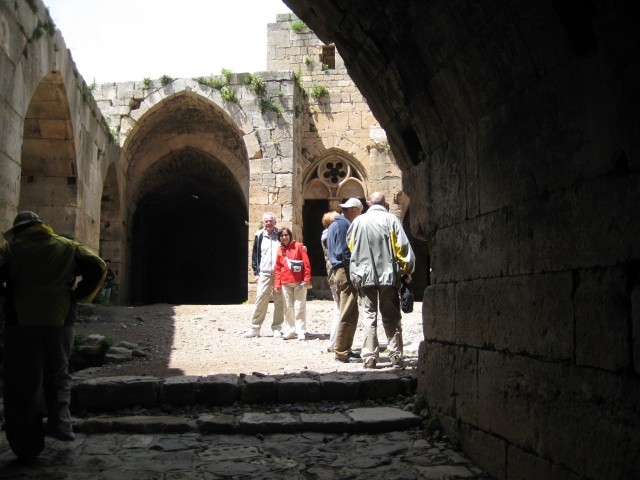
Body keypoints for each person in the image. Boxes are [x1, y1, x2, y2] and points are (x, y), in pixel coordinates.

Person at [0, 211, 107, 462]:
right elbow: (98, 266)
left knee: (23, 383)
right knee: (59, 371)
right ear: (41, 226)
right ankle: (61, 422)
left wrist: (7, 294)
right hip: (60, 320)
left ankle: (27, 445)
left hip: (22, 322)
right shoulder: (66, 246)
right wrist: (79, 296)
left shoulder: (13, 249)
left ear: (19, 230)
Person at [346, 192, 415, 369]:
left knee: (368, 316)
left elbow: (351, 246)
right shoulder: (391, 220)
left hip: (364, 275)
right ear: (385, 203)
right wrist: (407, 269)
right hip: (388, 275)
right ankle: (396, 356)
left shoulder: (357, 222)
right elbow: (402, 247)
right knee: (391, 315)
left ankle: (369, 357)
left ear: (369, 204)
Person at [326, 198, 363, 363]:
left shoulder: (335, 224)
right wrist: (354, 270)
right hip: (344, 270)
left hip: (338, 270)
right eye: (359, 212)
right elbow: (344, 251)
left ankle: (343, 348)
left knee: (345, 309)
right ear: (353, 209)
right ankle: (342, 351)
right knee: (349, 311)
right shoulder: (343, 225)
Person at [245, 212, 284, 337]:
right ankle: (255, 328)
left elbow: (290, 248)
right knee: (261, 299)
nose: (268, 223)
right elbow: (255, 256)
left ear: (275, 222)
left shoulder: (281, 235)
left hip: (279, 273)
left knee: (279, 300)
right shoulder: (259, 235)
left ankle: (277, 328)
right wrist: (256, 273)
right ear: (263, 223)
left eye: (270, 221)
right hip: (264, 272)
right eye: (266, 221)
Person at [273, 227, 311, 340]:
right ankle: (290, 330)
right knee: (288, 307)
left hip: (299, 282)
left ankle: (301, 331)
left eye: (286, 235)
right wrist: (277, 284)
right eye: (282, 236)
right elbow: (278, 268)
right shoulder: (280, 250)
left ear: (290, 236)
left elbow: (306, 263)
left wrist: (307, 277)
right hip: (286, 282)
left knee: (300, 307)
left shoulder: (299, 246)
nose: (284, 237)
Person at [321, 211, 340, 352]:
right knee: (340, 309)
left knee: (339, 308)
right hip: (336, 274)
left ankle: (334, 342)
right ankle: (334, 342)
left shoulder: (325, 235)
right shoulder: (330, 236)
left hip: (331, 274)